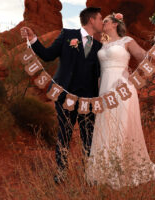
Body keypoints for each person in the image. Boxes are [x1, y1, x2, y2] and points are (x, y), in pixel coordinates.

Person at [85, 13, 155, 189]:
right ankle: (102, 171)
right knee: (105, 125)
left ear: (114, 24)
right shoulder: (103, 43)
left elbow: (143, 56)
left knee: (120, 125)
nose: (103, 23)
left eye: (105, 21)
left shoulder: (127, 40)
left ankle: (118, 170)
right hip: (105, 89)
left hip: (123, 87)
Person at [20, 7, 103, 184]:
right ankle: (61, 172)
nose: (102, 23)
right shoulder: (67, 35)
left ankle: (89, 174)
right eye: (100, 19)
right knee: (64, 133)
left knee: (88, 137)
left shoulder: (99, 46)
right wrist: (33, 38)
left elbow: (100, 73)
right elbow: (47, 55)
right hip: (64, 95)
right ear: (91, 20)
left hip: (88, 100)